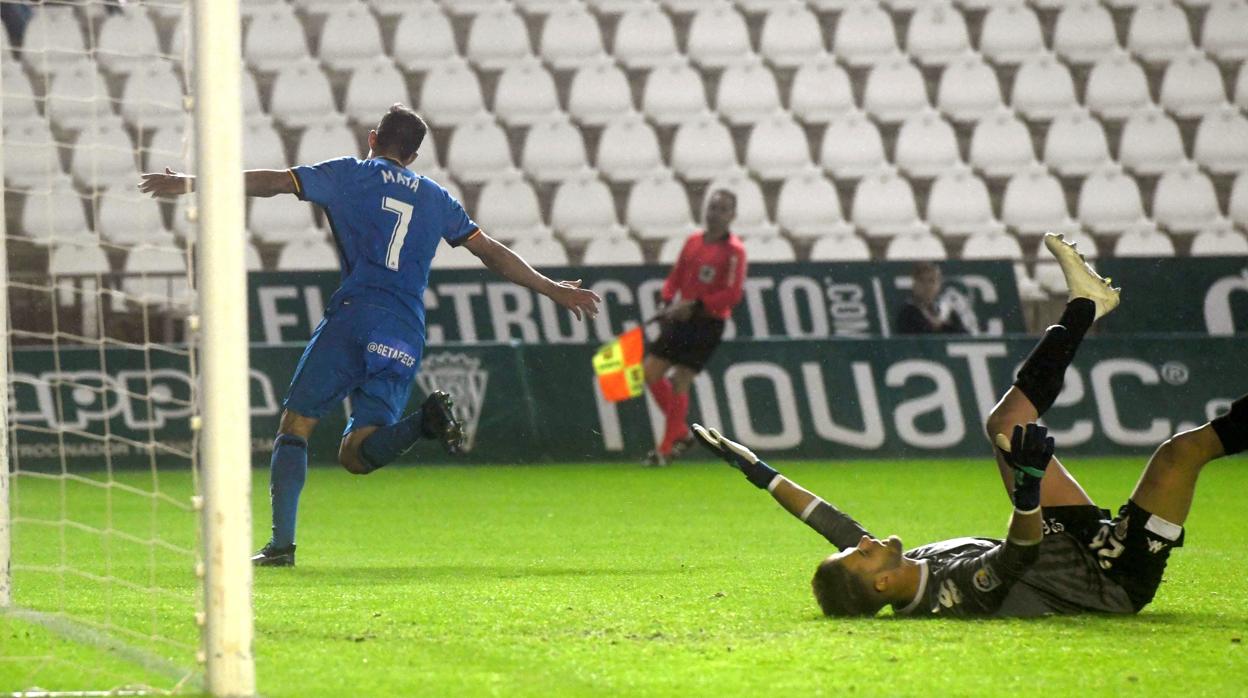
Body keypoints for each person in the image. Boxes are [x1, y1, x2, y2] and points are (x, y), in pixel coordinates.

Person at [139, 104, 602, 567]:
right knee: (358, 455)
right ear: (415, 155)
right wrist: (550, 288)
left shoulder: (348, 174)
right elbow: (489, 252)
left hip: (355, 314)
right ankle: (425, 422)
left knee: (295, 427)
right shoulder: (437, 197)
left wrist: (190, 184)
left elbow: (277, 182)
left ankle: (281, 546)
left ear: (373, 137)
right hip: (404, 328)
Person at [696, 233, 1248, 617]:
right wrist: (1028, 492)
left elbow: (831, 525)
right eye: (861, 553)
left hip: (1069, 542)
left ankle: (1086, 303)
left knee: (1006, 422)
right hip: (1110, 577)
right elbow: (1017, 556)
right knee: (1180, 453)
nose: (861, 540)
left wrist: (758, 472)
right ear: (882, 582)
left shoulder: (897, 570)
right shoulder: (957, 592)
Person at [642, 189, 747, 466]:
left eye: (722, 209)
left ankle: (665, 450)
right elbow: (675, 277)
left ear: (732, 215)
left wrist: (698, 304)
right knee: (649, 372)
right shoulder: (692, 242)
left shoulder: (735, 251)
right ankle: (679, 431)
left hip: (708, 322)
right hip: (680, 317)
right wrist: (666, 299)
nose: (715, 213)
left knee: (681, 379)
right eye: (712, 207)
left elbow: (733, 294)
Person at [895, 261, 969, 335]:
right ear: (914, 284)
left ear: (939, 284)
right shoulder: (907, 312)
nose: (928, 286)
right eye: (922, 281)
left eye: (932, 281)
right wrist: (939, 326)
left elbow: (964, 337)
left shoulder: (947, 312)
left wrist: (943, 325)